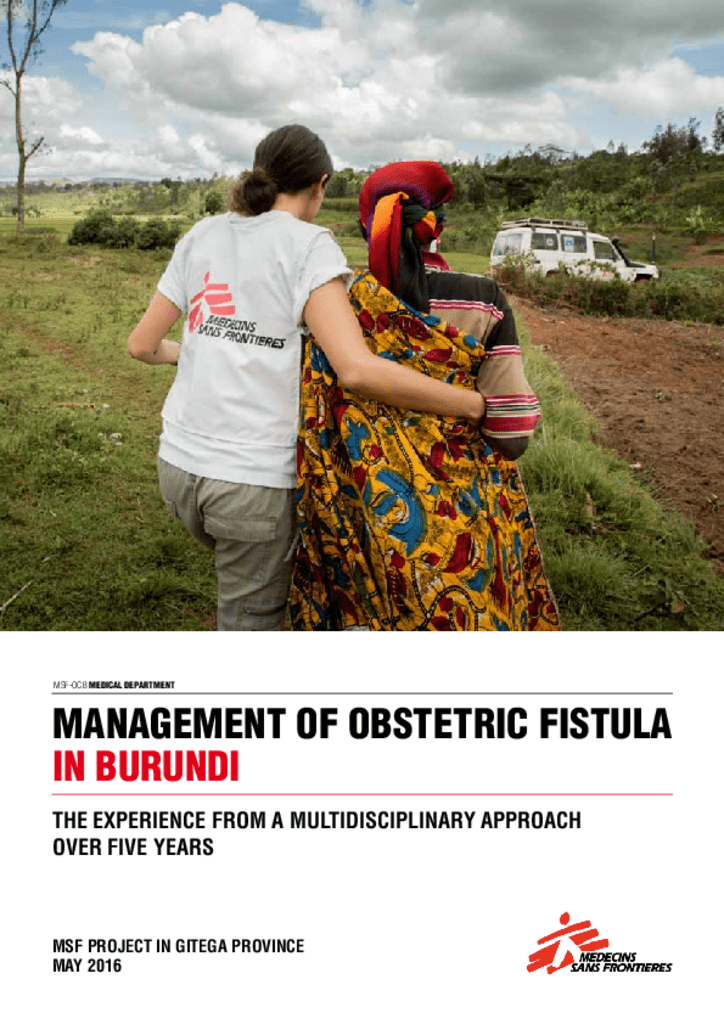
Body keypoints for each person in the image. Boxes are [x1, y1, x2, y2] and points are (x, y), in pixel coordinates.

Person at [128, 128, 485, 630]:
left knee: (244, 577)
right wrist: (470, 404)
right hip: (249, 486)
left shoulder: (203, 233)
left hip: (177, 470)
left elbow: (141, 346)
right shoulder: (308, 244)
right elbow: (357, 370)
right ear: (319, 185)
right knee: (251, 624)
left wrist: (200, 352)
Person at [289, 160, 560, 630]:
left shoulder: (341, 301)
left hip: (365, 508)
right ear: (439, 228)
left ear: (365, 225)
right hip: (467, 514)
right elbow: (512, 432)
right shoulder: (482, 299)